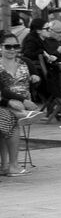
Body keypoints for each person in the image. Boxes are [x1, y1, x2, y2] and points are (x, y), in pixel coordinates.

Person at [0, 42, 30, 175]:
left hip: (8, 102)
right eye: (8, 46)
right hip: (6, 104)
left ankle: (6, 165)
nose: (12, 49)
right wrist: (11, 102)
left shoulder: (24, 63)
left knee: (6, 117)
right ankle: (12, 165)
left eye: (15, 46)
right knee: (9, 118)